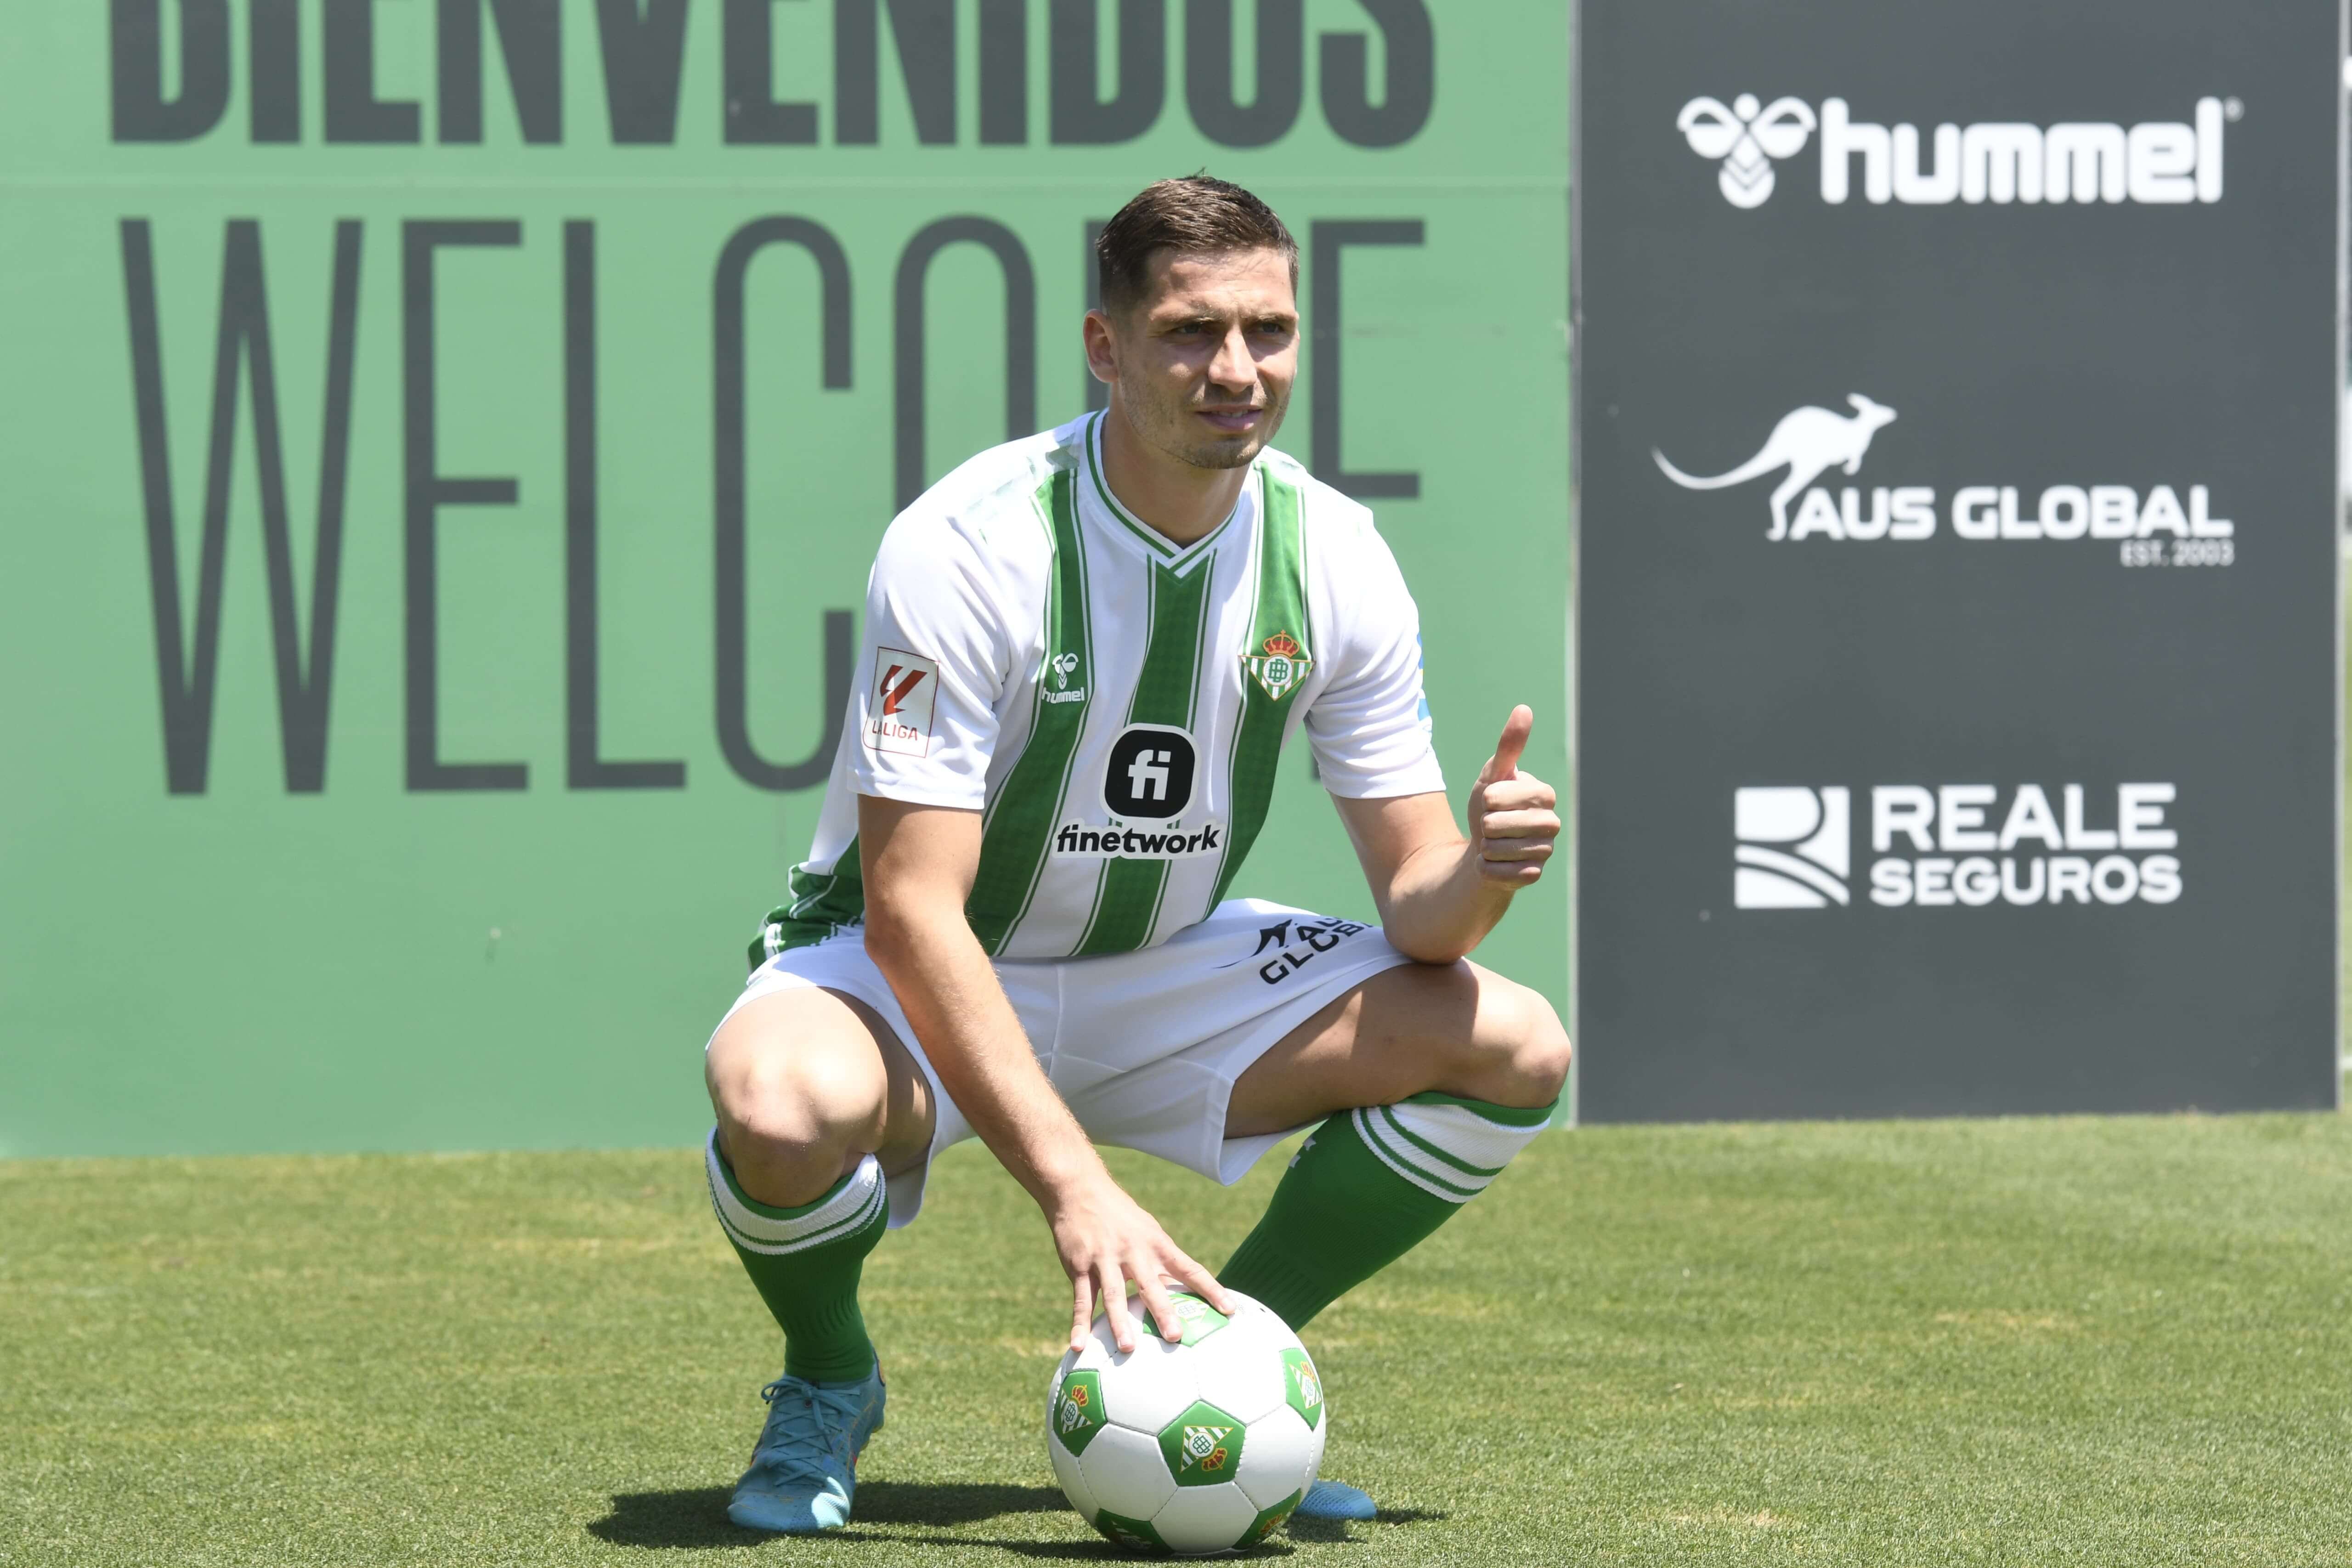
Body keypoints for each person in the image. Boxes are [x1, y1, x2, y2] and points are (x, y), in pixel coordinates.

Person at [701, 174, 1570, 1536]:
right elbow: (911, 909)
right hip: (918, 973)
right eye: (1190, 333)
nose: (1238, 370)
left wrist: (1484, 870)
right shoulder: (967, 542)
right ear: (1108, 347)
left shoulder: (1334, 552)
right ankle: (826, 1378)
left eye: (1269, 332)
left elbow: (1418, 910)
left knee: (1515, 1044)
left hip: (1159, 966)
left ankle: (1232, 1362)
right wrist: (1077, 1192)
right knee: (777, 1107)